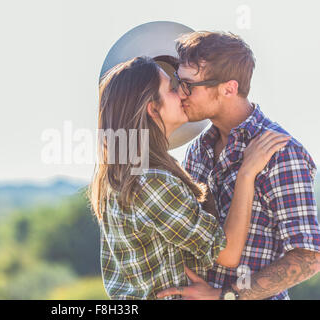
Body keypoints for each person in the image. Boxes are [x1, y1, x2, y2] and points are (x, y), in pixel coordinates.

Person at [89, 56, 289, 299]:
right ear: (153, 108)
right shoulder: (152, 182)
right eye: (172, 89)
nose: (182, 94)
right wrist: (246, 173)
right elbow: (226, 253)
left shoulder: (123, 175)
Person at [157, 31, 320, 300]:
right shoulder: (197, 151)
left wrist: (226, 296)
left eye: (189, 85)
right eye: (178, 82)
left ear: (229, 88)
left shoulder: (282, 152)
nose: (181, 93)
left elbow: (308, 257)